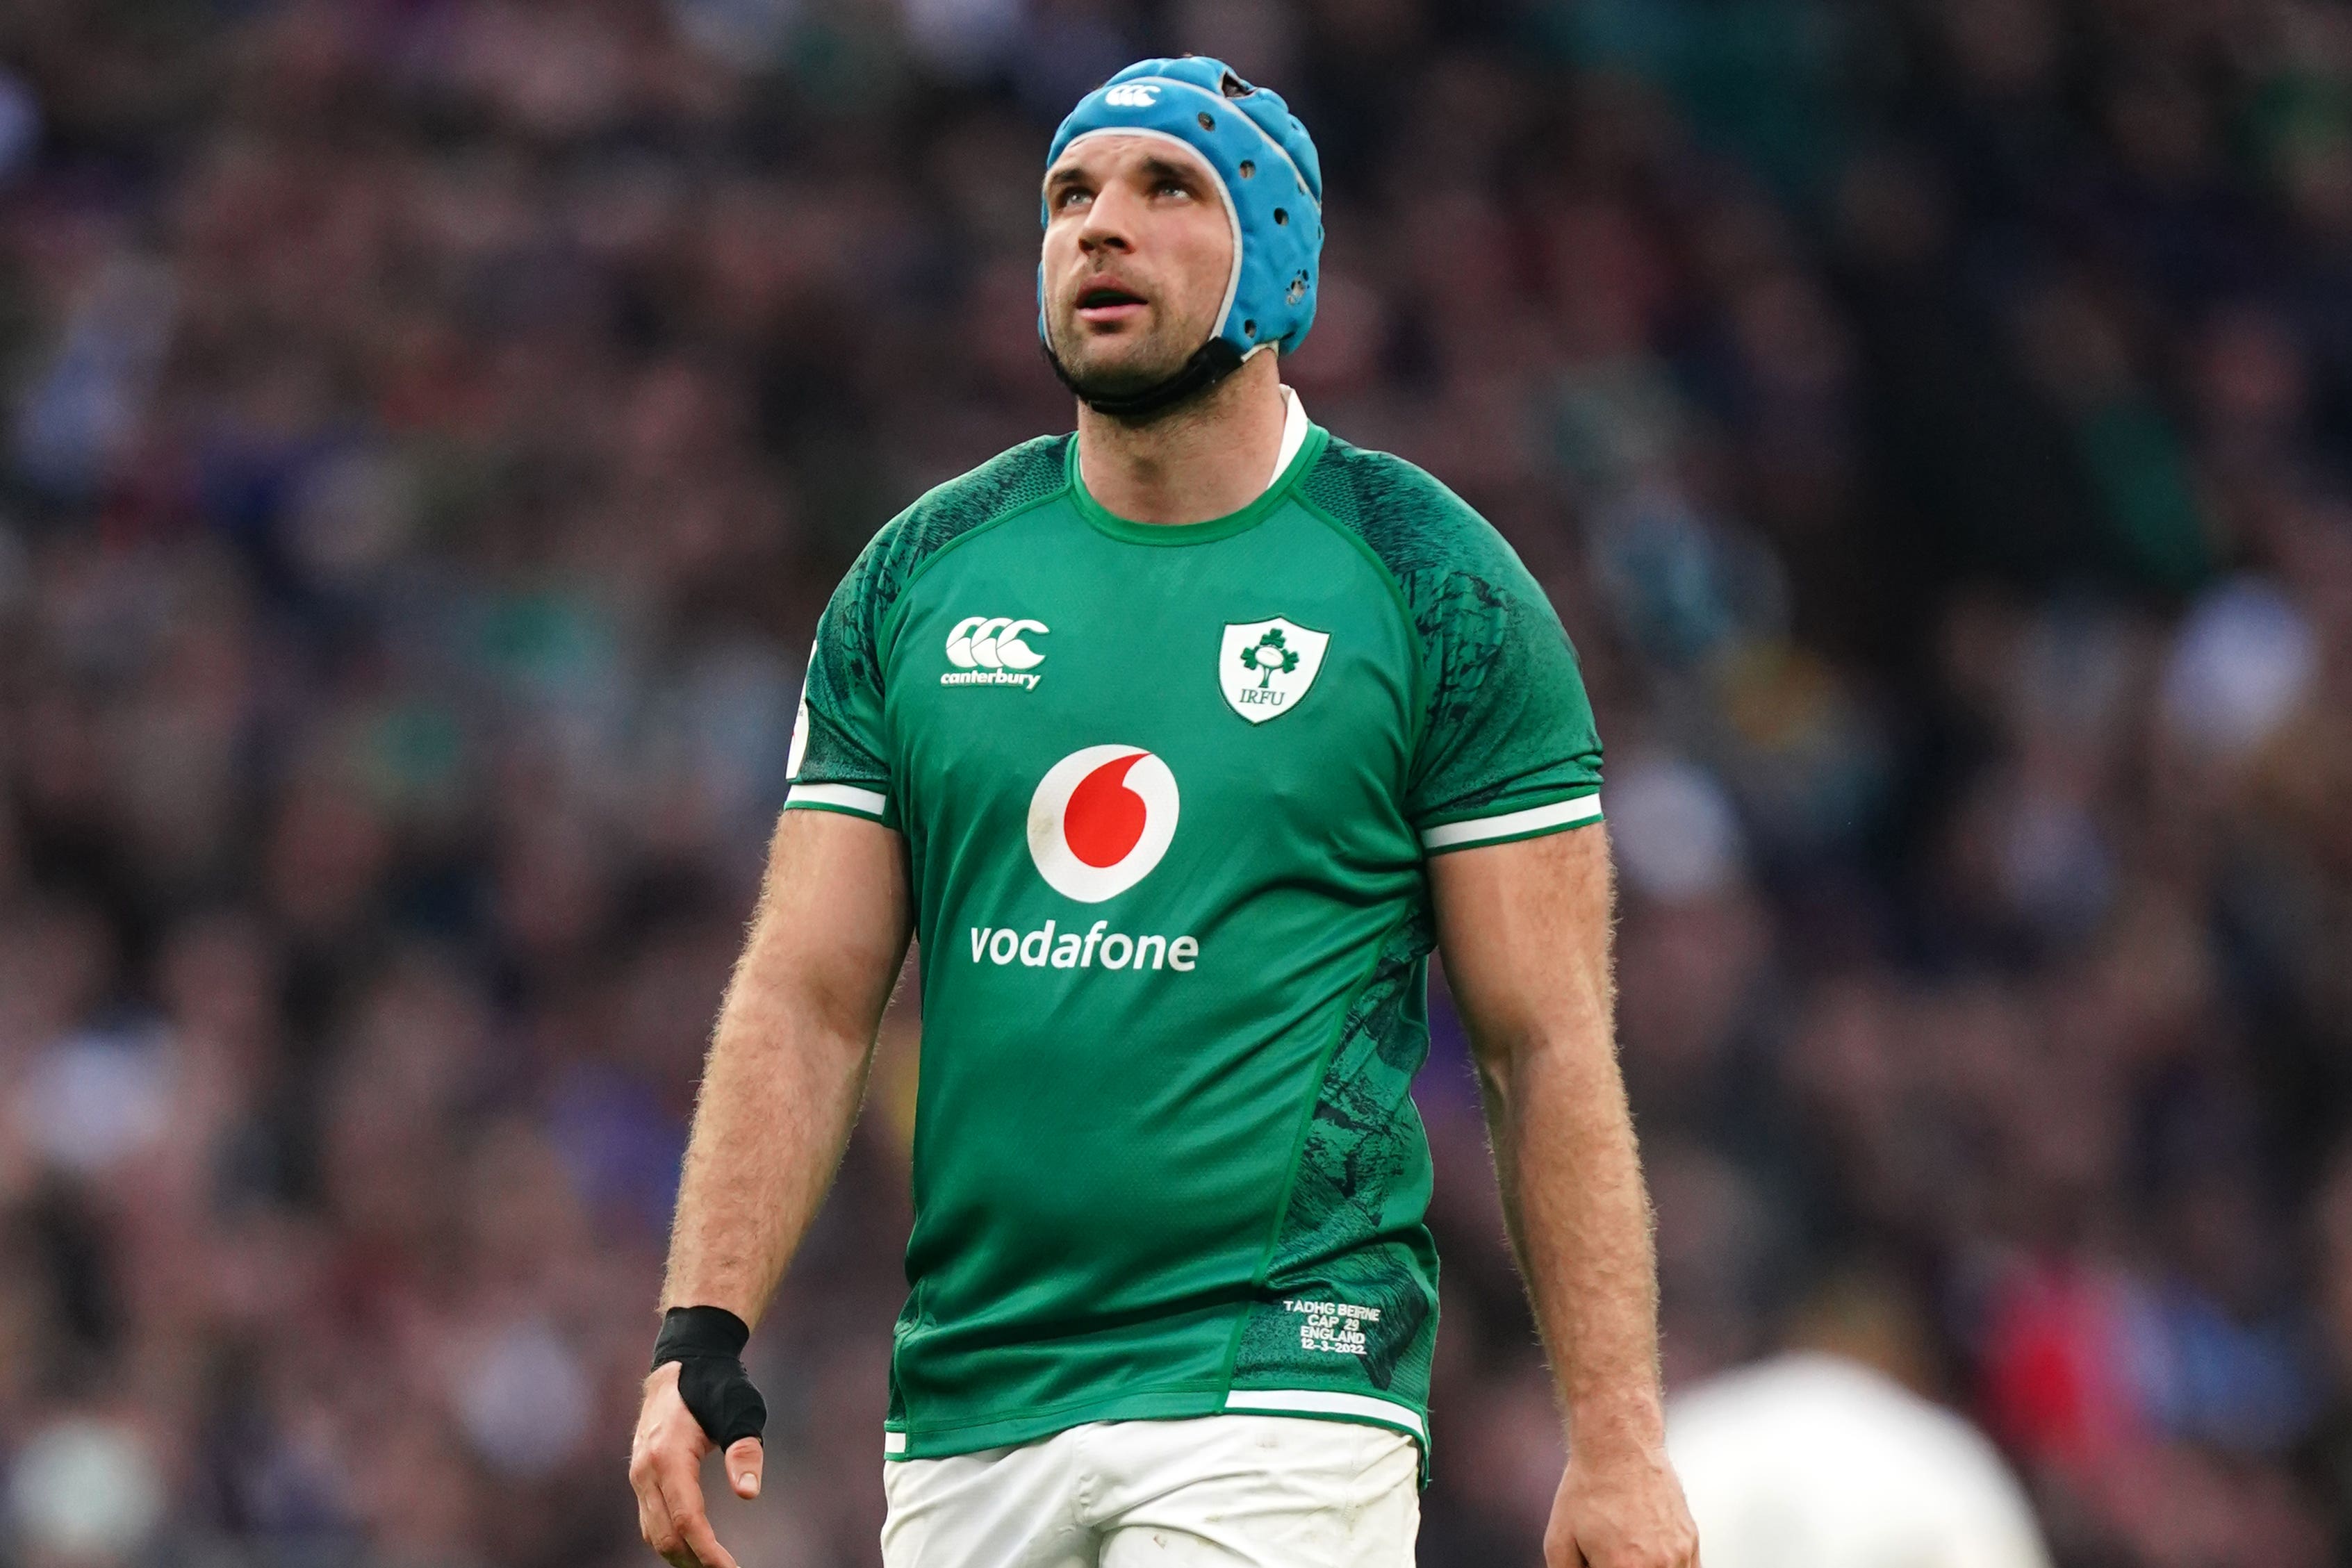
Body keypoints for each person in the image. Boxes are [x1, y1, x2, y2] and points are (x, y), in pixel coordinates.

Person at [626, 55, 1699, 1568]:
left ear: (1274, 255)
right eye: (1068, 196)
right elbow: (805, 994)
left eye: (1164, 190)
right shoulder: (917, 580)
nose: (1097, 229)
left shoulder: (1434, 583)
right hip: (966, 1402)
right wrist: (697, 1332)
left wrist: (1618, 1442)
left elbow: (1547, 1040)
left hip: (1281, 1385)